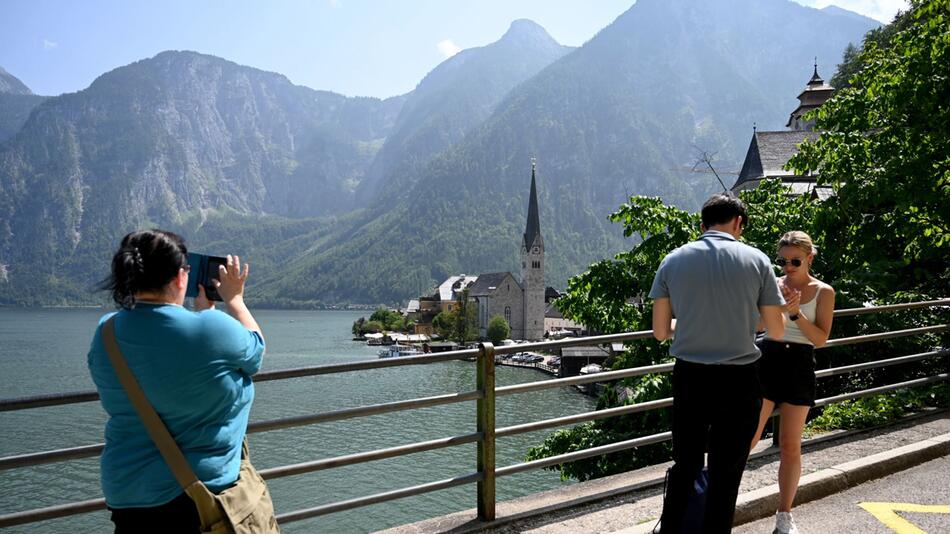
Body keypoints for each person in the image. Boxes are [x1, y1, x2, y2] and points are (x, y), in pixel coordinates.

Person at [87, 229, 265, 533]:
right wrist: (234, 300)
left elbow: (161, 352)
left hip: (127, 495)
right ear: (181, 277)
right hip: (199, 497)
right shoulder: (212, 328)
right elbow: (255, 351)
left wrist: (203, 319)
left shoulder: (106, 332)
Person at [651, 193, 786, 533]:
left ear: (702, 224)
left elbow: (660, 332)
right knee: (727, 471)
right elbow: (775, 328)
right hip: (739, 380)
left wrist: (692, 322)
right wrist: (740, 320)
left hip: (690, 377)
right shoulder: (757, 260)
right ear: (738, 222)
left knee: (687, 464)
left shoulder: (673, 260)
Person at [750, 231, 835, 534]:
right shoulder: (772, 284)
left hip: (799, 364)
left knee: (790, 446)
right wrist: (778, 312)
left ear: (810, 257)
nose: (787, 266)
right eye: (783, 260)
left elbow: (821, 339)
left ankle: (784, 515)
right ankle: (718, 506)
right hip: (767, 358)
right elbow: (756, 325)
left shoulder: (824, 292)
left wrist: (796, 314)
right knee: (745, 439)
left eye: (795, 260)